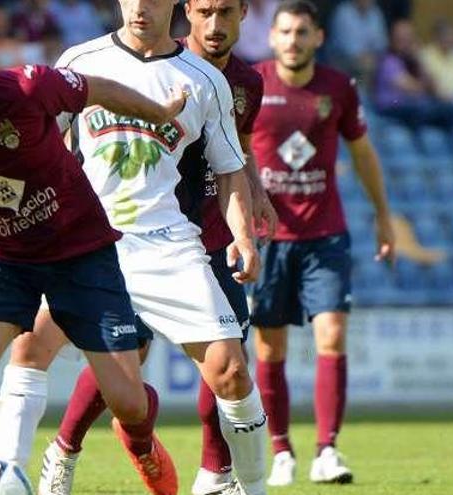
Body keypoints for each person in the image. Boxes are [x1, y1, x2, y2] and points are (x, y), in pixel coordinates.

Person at [0, 15, 186, 488]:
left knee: (128, 403)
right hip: (1, 260)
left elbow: (96, 89)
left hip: (82, 250)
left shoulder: (26, 88)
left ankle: (141, 441)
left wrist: (159, 113)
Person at [0, 1, 269, 494]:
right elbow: (42, 146)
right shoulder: (81, 62)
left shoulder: (204, 80)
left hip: (166, 244)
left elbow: (230, 167)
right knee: (30, 347)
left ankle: (252, 488)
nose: (141, 7)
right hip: (87, 242)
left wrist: (244, 237)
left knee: (230, 372)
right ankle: (8, 476)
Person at [249, 0, 395, 486]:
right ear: (272, 38)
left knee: (331, 334)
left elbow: (363, 154)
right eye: (285, 31)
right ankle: (282, 450)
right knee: (270, 351)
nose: (293, 40)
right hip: (269, 240)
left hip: (325, 236)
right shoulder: (251, 85)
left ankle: (327, 450)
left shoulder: (338, 89)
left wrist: (383, 216)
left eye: (302, 32)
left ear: (318, 38)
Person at [181, 0, 277, 493]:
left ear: (243, 13)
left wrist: (257, 196)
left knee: (231, 361)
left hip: (220, 238)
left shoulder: (249, 84)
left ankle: (214, 473)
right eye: (205, 12)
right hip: (160, 242)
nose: (215, 25)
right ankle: (64, 450)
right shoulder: (163, 70)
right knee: (124, 366)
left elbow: (237, 150)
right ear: (187, 11)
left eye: (225, 12)